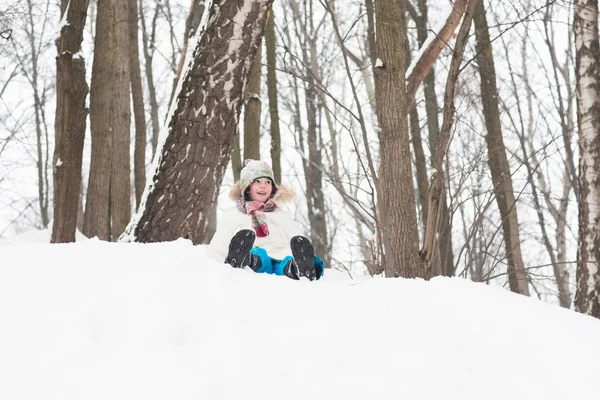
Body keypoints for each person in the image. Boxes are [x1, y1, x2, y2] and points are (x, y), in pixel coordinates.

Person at [207, 159, 324, 281]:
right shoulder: (234, 216)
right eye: (257, 182)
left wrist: (302, 253)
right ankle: (243, 258)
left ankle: (297, 268)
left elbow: (298, 240)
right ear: (246, 187)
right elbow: (218, 246)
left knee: (287, 261)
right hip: (257, 259)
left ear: (272, 188)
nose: (263, 185)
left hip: (282, 257)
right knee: (260, 257)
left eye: (268, 182)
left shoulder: (281, 215)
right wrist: (219, 262)